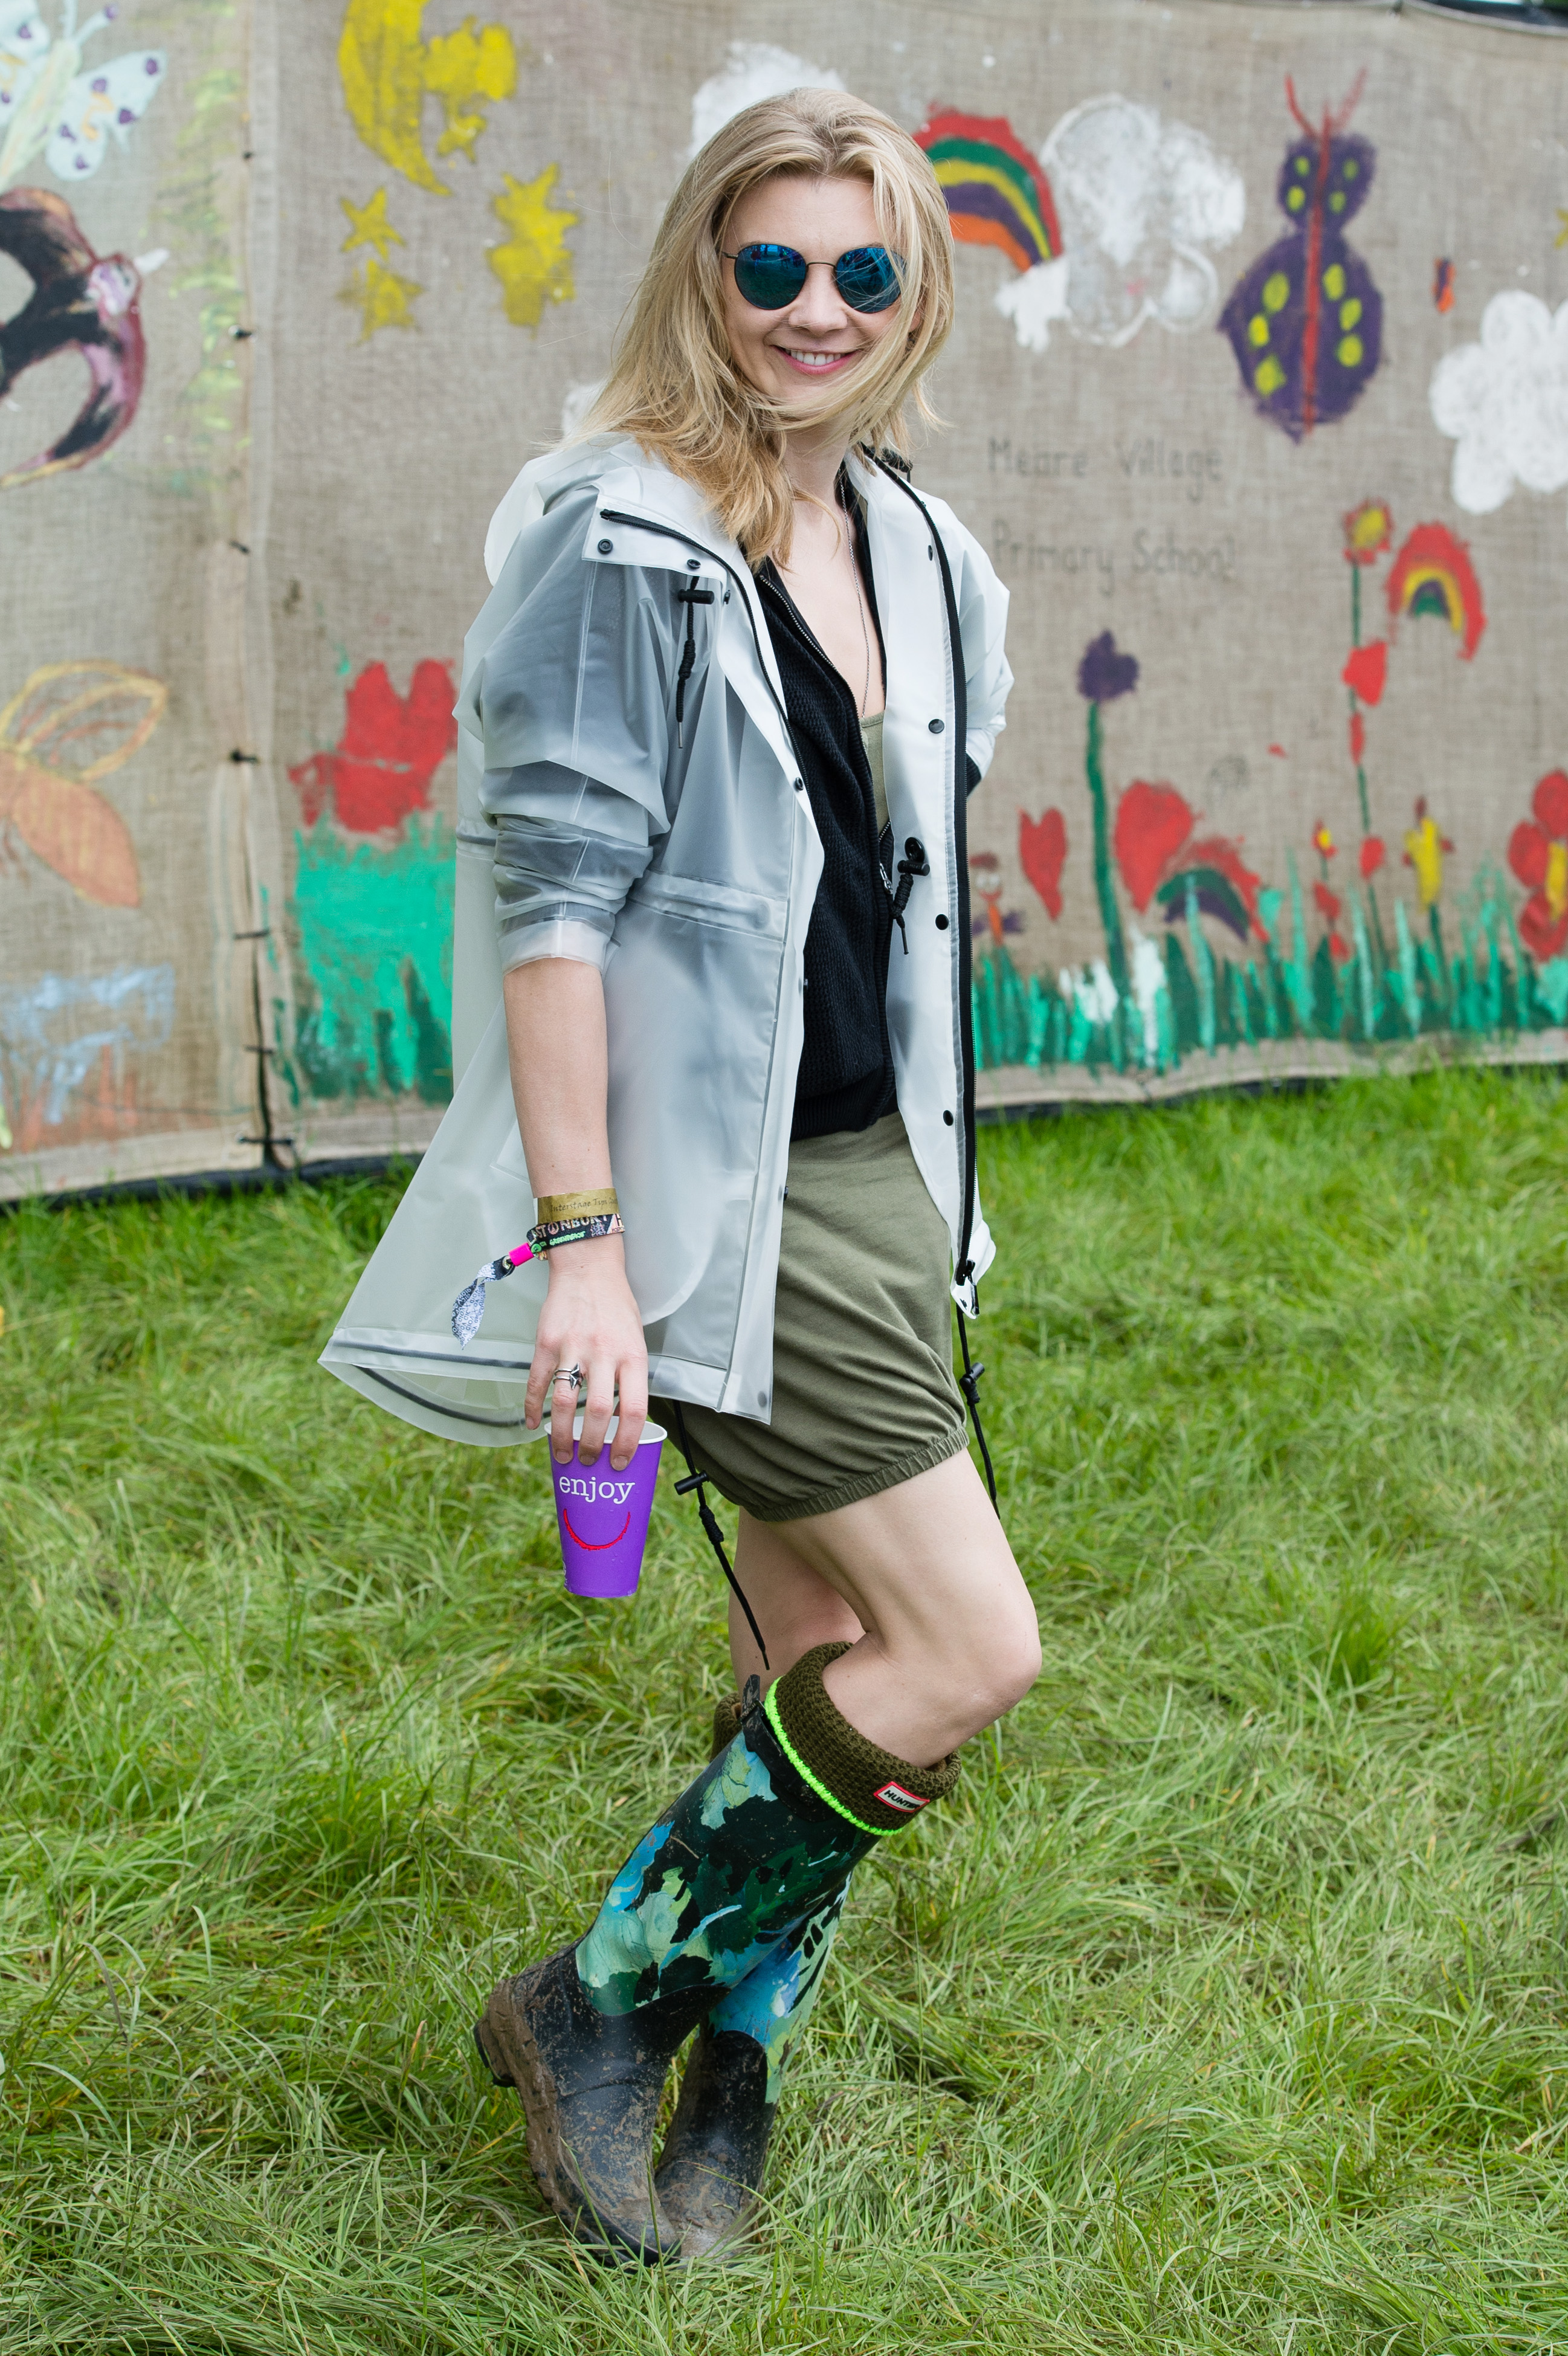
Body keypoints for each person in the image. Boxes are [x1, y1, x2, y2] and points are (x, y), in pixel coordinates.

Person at [326, 86, 1040, 2265]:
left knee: (818, 1630)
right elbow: (551, 915)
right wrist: (586, 1252)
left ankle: (734, 2043)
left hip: (877, 1156)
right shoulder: (619, 536)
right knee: (963, 1646)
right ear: (701, 280)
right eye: (770, 267)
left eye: (861, 270)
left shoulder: (911, 544)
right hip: (727, 1192)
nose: (816, 309)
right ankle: (599, 1995)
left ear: (913, 295)